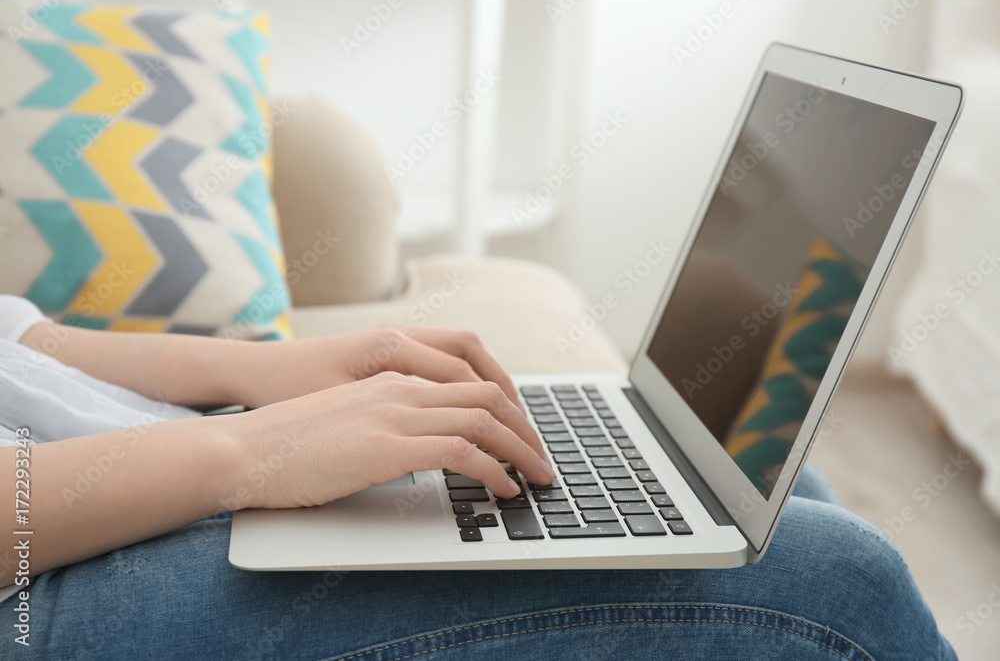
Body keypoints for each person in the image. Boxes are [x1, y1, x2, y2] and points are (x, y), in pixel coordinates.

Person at [0, 294, 955, 659]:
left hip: (113, 460)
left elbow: (25, 348)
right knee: (831, 582)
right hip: (37, 578)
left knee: (760, 493)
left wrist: (254, 371)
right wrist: (248, 452)